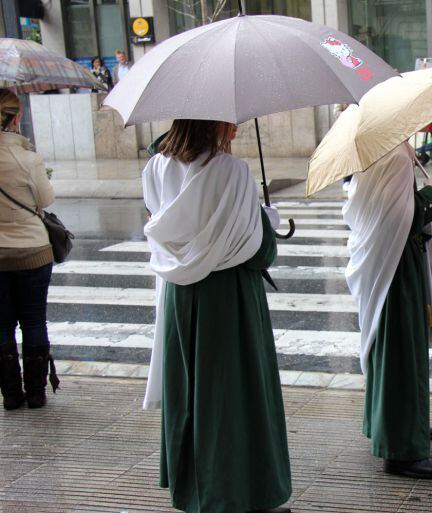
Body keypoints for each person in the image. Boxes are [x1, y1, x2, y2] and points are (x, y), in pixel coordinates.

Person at [141, 119, 291, 513]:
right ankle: (241, 490)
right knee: (234, 393)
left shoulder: (156, 167)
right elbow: (258, 252)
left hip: (180, 294)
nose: (236, 129)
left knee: (190, 391)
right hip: (229, 297)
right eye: (231, 122)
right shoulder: (232, 171)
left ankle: (194, 490)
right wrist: (265, 223)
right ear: (214, 122)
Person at [344, 142, 432, 480]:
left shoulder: (378, 148)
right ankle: (402, 450)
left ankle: (396, 426)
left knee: (391, 349)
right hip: (396, 264)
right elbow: (405, 215)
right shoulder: (393, 153)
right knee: (401, 354)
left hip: (386, 260)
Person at [0, 89, 59, 410]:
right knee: (34, 320)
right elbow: (45, 199)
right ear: (17, 117)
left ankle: (10, 394)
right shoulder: (27, 157)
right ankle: (36, 392)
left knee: (2, 325)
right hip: (32, 251)